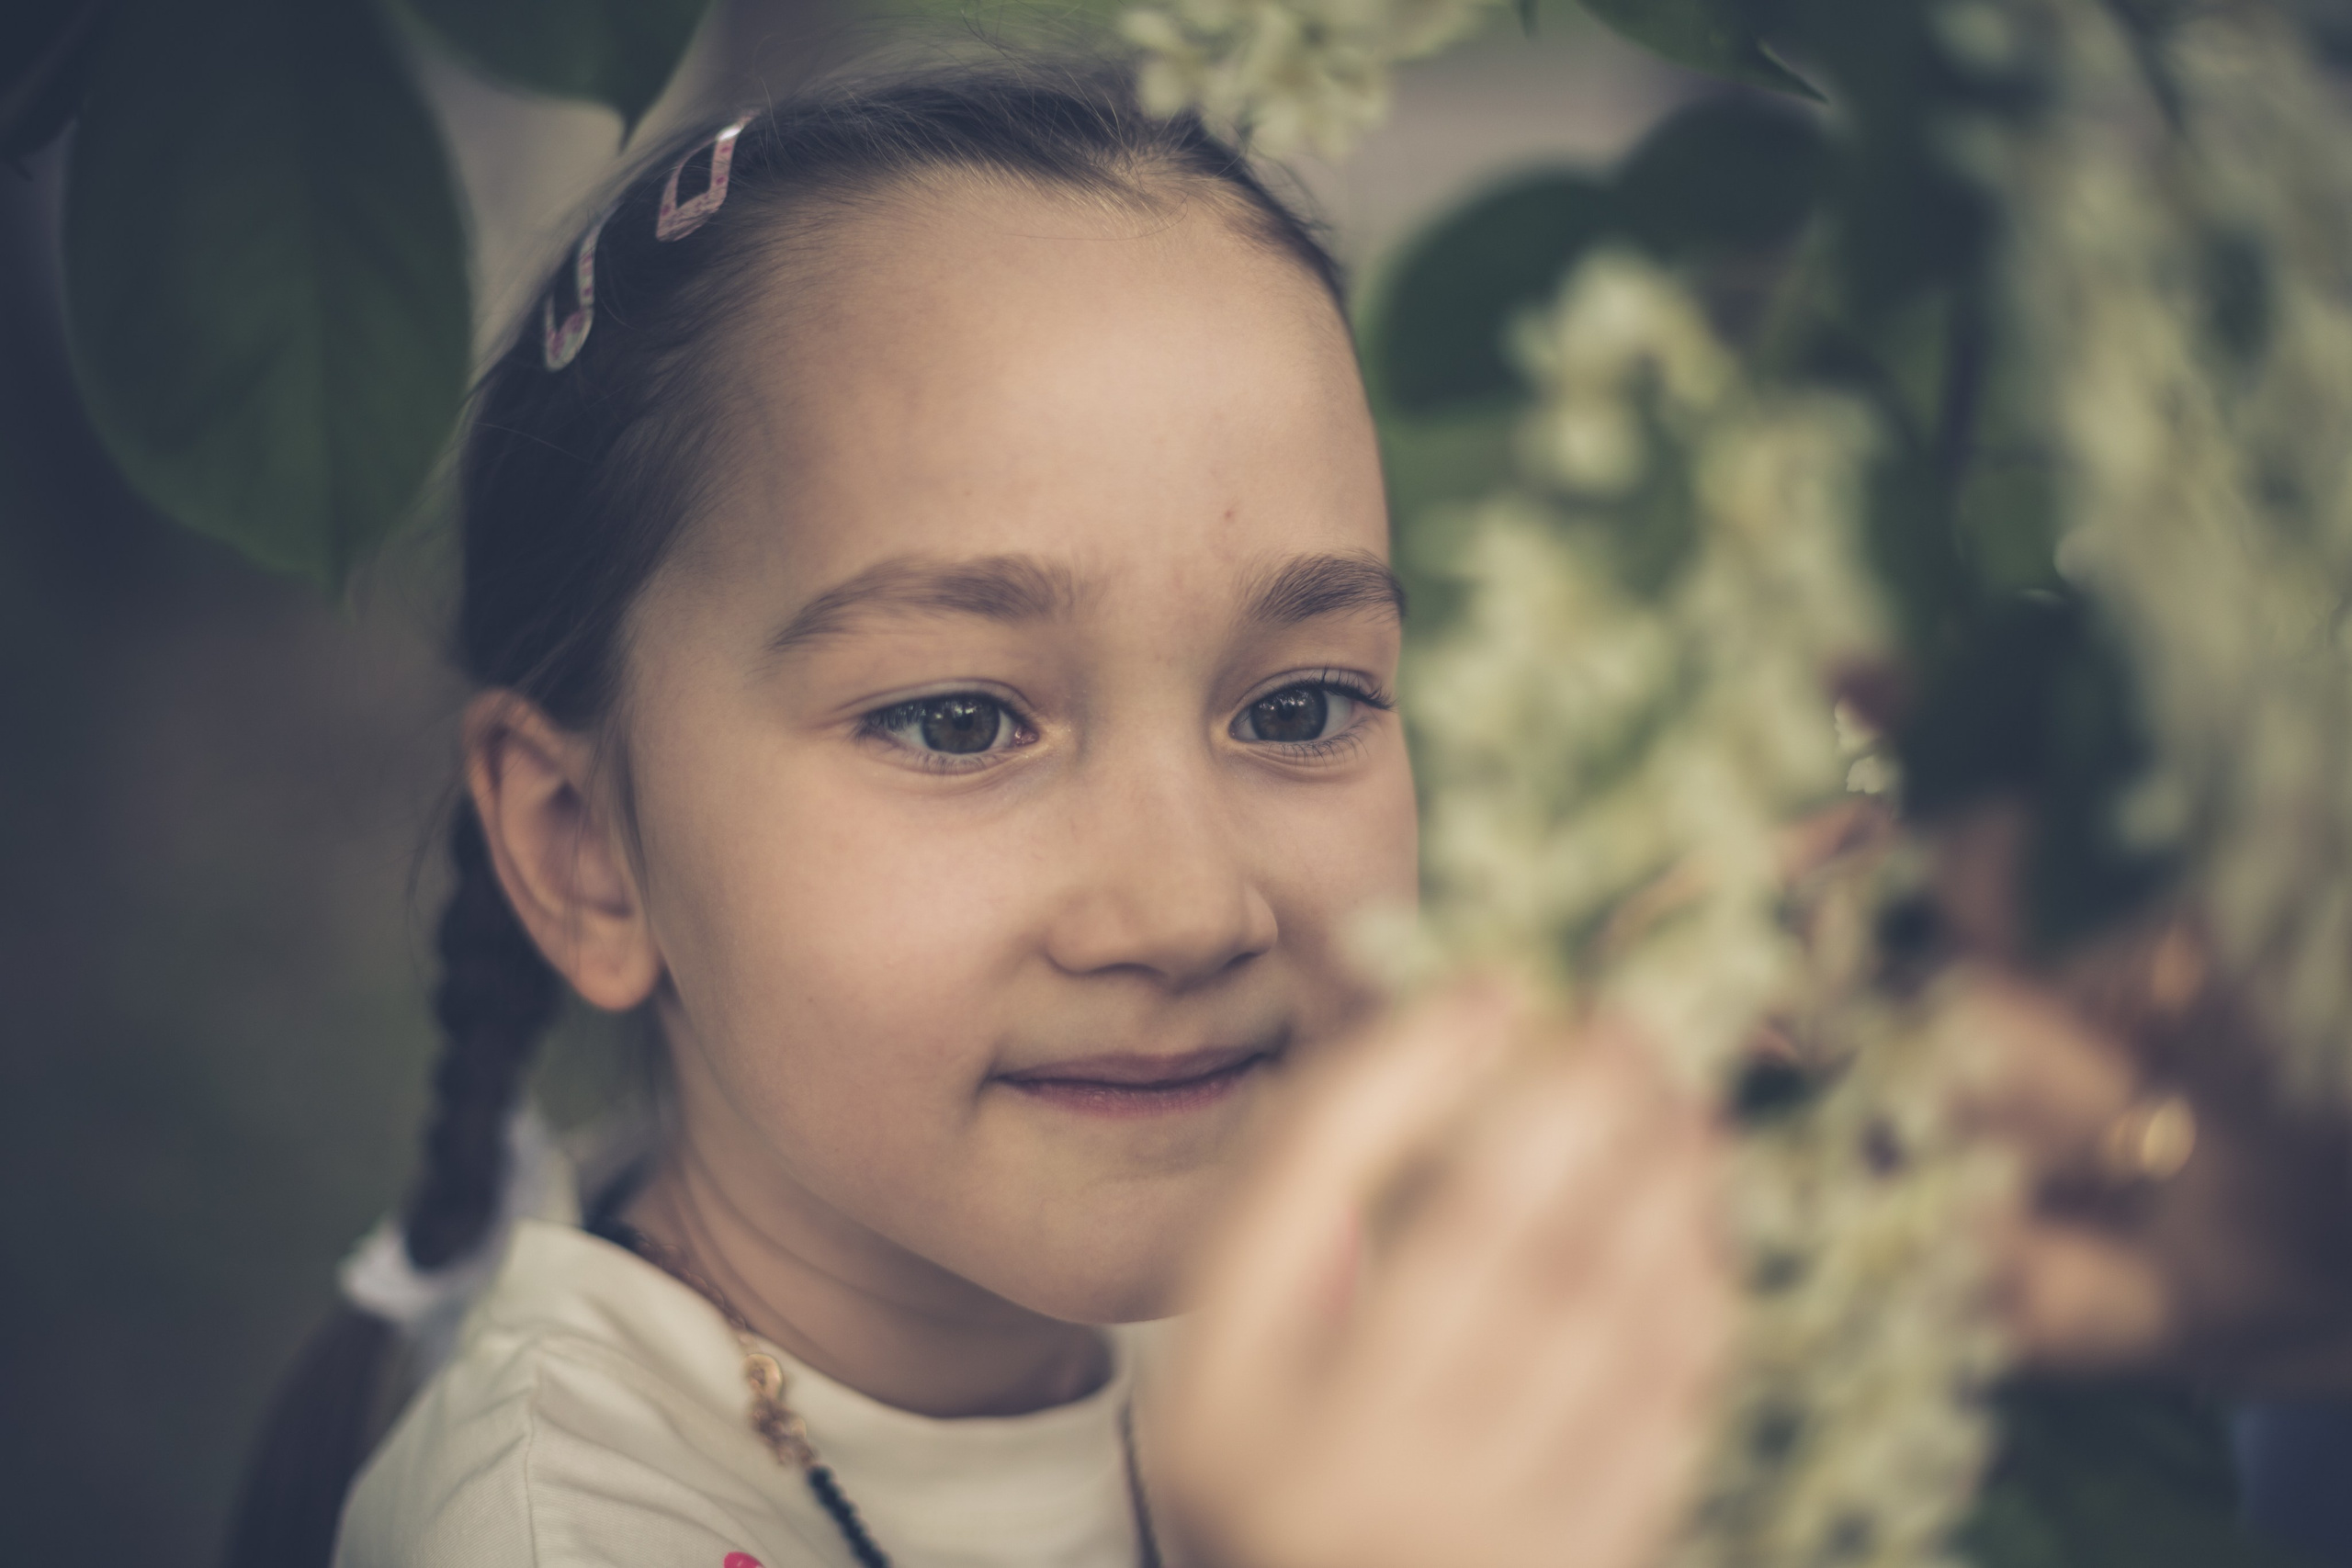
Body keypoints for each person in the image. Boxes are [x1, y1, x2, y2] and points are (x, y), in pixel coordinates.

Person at [221, 66, 1733, 1568]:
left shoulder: (1292, 1279)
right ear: (584, 849)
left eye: (1299, 707)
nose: (1191, 909)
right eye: (958, 722)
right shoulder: (550, 1536)